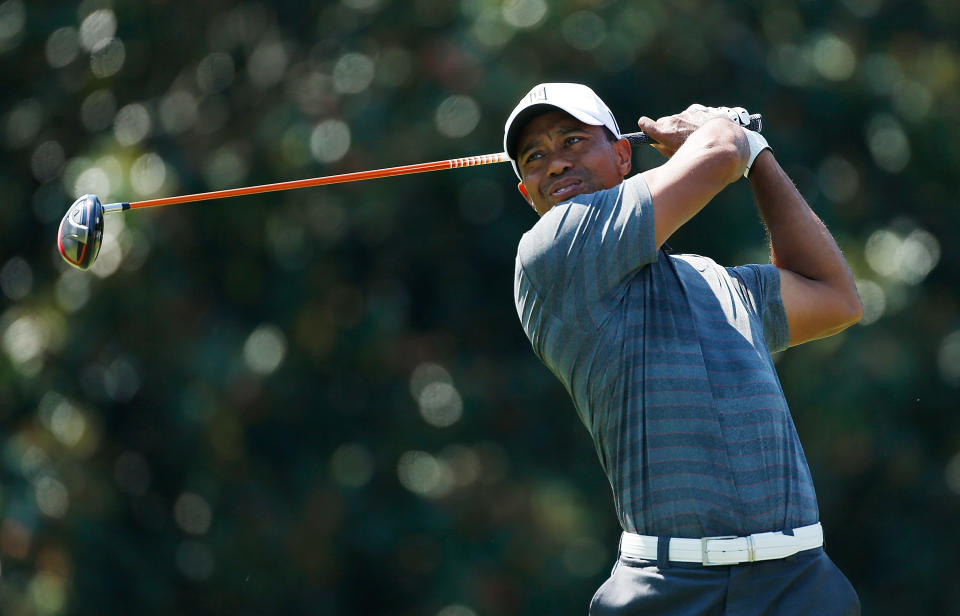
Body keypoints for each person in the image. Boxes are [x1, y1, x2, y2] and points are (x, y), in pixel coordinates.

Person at [503, 83, 863, 615]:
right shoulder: (550, 251)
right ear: (526, 192)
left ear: (623, 153)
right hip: (669, 591)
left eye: (573, 141)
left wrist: (757, 154)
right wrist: (727, 130)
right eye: (534, 157)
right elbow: (718, 155)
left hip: (800, 583)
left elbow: (835, 297)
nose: (555, 164)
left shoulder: (715, 280)